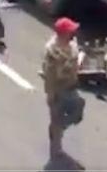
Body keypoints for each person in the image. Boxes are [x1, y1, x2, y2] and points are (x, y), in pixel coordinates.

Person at [42, 17, 85, 162]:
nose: (74, 33)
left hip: (71, 86)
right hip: (58, 90)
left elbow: (74, 62)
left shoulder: (71, 46)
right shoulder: (53, 53)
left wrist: (80, 58)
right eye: (70, 31)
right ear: (63, 34)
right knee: (57, 118)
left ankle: (58, 127)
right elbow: (49, 76)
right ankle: (56, 149)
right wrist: (50, 94)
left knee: (78, 107)